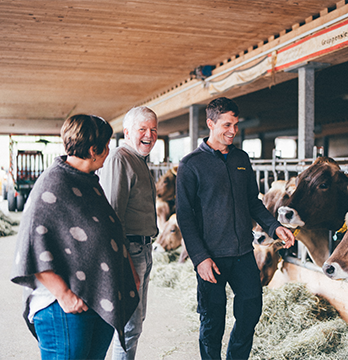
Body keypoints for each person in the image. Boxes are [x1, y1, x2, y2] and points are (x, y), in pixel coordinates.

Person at [12, 114, 143, 360]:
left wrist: (128, 272)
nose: (109, 150)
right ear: (94, 149)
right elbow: (34, 245)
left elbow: (108, 231)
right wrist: (64, 295)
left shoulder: (89, 182)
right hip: (64, 306)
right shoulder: (52, 184)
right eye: (106, 144)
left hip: (95, 299)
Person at [179, 97, 295, 360]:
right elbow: (185, 216)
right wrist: (200, 258)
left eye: (236, 124)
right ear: (210, 123)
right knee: (212, 321)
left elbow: (252, 202)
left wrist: (275, 227)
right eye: (227, 125)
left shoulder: (241, 158)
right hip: (211, 257)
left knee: (251, 310)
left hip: (243, 252)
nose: (233, 130)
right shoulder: (191, 164)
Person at [102, 106, 161, 360]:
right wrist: (123, 262)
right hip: (130, 252)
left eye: (154, 129)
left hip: (144, 250)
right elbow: (113, 216)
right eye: (142, 129)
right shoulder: (119, 158)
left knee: (135, 323)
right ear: (127, 132)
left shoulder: (140, 161)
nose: (149, 134)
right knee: (129, 326)